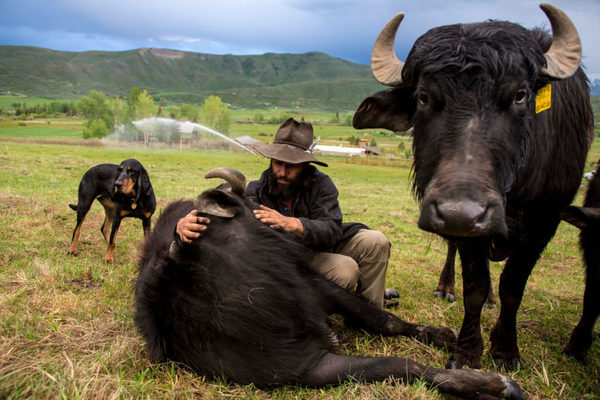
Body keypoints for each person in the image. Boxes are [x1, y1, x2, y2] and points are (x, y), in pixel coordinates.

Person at [176, 118, 398, 309]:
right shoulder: (256, 191)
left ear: (304, 165)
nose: (282, 172)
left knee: (376, 241)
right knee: (345, 270)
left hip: (323, 241)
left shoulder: (321, 185)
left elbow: (332, 229)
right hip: (293, 258)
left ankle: (370, 308)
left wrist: (294, 224)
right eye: (277, 163)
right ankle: (325, 312)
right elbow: (216, 209)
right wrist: (183, 224)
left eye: (290, 165)